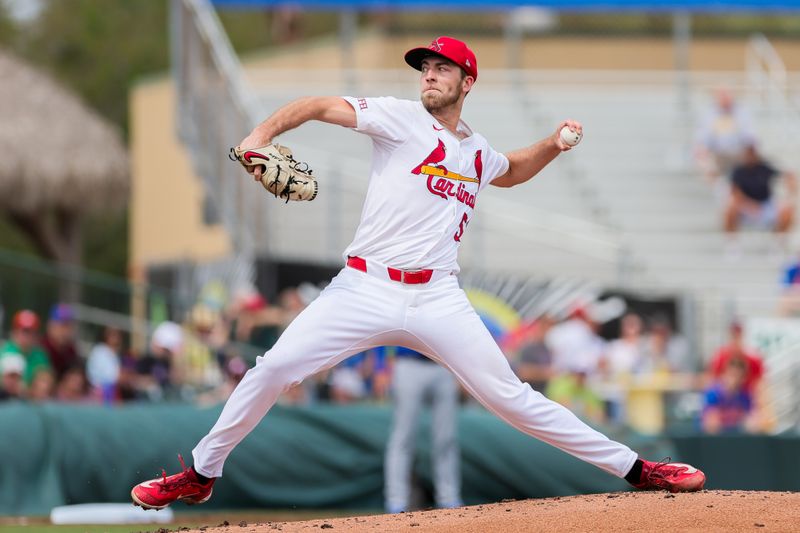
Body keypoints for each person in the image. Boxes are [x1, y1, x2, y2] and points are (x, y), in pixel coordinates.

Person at [131, 36, 705, 510]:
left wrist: (553, 144)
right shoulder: (398, 118)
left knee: (512, 398)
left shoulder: (477, 152)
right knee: (274, 366)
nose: (429, 74)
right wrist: (260, 137)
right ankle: (202, 473)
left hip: (438, 298)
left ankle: (637, 469)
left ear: (467, 81)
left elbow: (511, 171)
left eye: (442, 68)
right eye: (425, 67)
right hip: (363, 286)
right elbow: (315, 104)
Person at [385, 347, 462, 513]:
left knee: (446, 438)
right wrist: (380, 367)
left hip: (442, 362)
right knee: (403, 437)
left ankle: (449, 499)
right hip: (409, 363)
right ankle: (396, 502)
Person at [723, 144, 796, 235]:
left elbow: (786, 175)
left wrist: (790, 189)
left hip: (765, 205)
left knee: (787, 209)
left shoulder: (764, 167)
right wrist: (750, 205)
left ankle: (780, 240)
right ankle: (731, 242)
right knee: (730, 208)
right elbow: (735, 192)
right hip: (745, 206)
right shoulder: (738, 171)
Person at [695, 87, 755, 181]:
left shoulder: (741, 112)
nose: (725, 98)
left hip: (738, 152)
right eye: (722, 96)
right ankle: (717, 186)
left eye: (727, 95)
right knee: (703, 156)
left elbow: (749, 134)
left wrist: (749, 148)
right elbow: (704, 135)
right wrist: (703, 149)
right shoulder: (710, 114)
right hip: (716, 153)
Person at [0, 310, 51, 387]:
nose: (29, 336)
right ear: (15, 331)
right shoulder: (5, 352)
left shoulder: (40, 354)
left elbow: (47, 380)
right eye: (25, 331)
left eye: (33, 331)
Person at [41, 303, 80, 382]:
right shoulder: (41, 348)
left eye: (68, 326)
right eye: (61, 325)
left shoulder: (71, 351)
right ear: (50, 326)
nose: (64, 331)